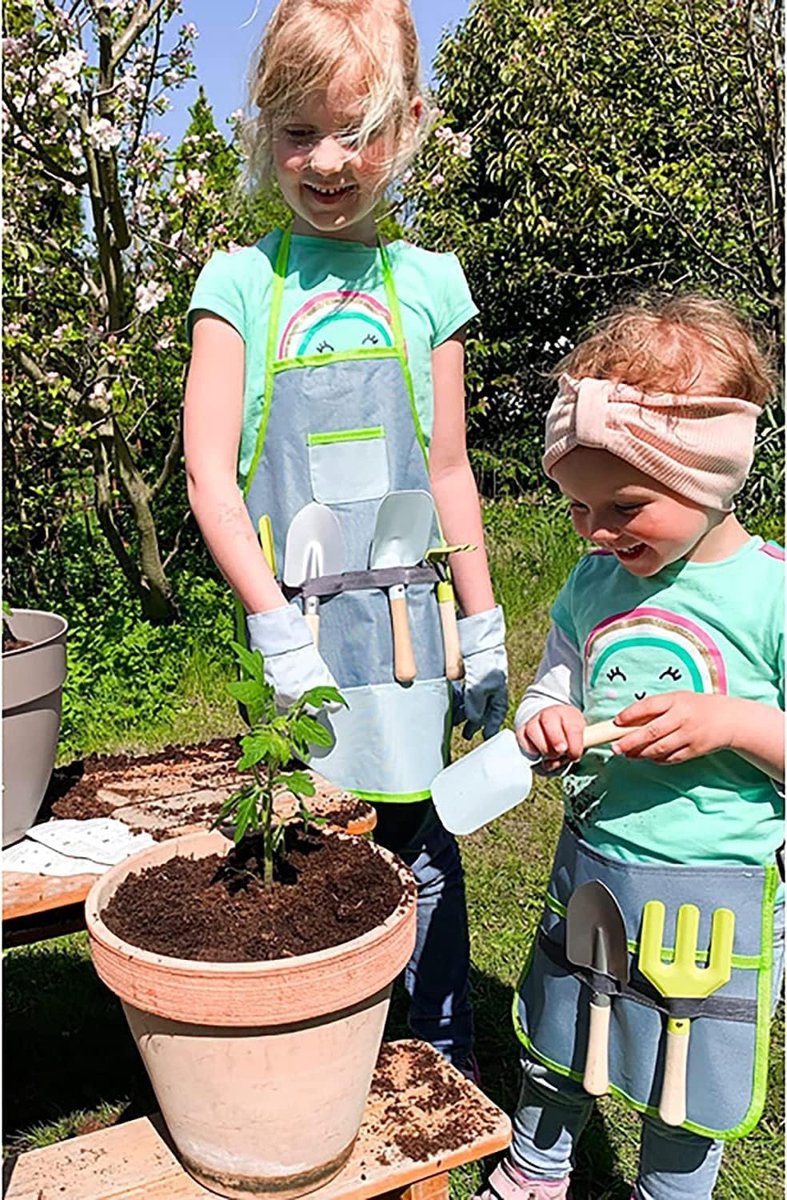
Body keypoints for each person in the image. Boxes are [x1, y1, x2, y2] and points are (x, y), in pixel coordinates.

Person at [183, 0, 508, 1076]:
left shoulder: (429, 285)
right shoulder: (238, 283)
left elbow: (449, 469)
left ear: (409, 123)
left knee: (419, 845)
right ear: (259, 128)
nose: (328, 162)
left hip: (409, 630)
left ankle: (440, 1053)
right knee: (312, 851)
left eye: (359, 131)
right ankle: (324, 1057)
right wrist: (274, 629)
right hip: (300, 637)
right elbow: (209, 476)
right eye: (298, 132)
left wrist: (485, 619)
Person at [476, 294, 784, 1200]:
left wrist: (730, 724)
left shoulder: (768, 599)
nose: (594, 530)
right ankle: (536, 1166)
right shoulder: (592, 582)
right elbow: (557, 679)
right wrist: (547, 718)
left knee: (690, 1072)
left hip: (715, 886)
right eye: (575, 505)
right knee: (565, 1032)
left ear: (713, 479)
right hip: (597, 863)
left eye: (623, 505)